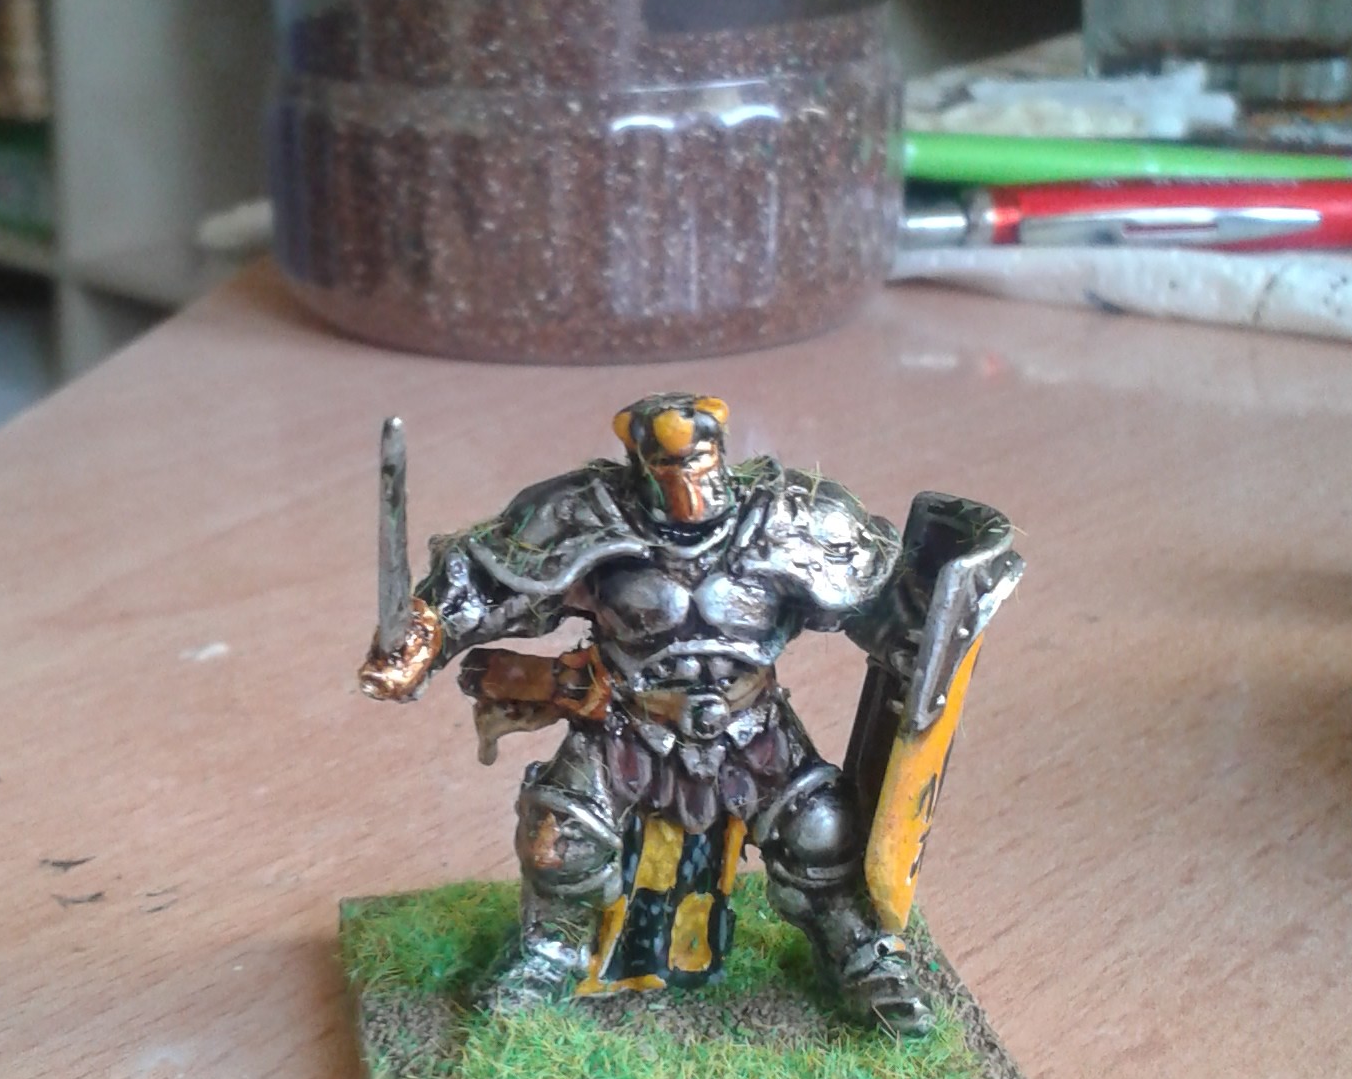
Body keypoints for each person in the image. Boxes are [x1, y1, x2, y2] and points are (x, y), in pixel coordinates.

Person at [359, 392, 934, 1037]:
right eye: (667, 464)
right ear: (639, 460)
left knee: (822, 830)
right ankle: (549, 953)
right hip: (627, 723)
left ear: (720, 451)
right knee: (558, 836)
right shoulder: (588, 517)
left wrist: (920, 637)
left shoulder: (789, 519)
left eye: (700, 459)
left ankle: (861, 954)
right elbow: (489, 589)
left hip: (751, 723)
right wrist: (423, 637)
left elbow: (874, 600)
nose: (688, 480)